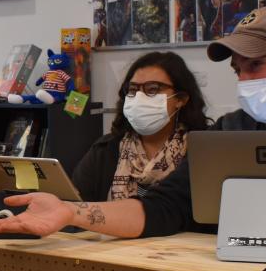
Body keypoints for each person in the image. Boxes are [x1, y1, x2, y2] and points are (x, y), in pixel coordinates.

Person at [0, 4, 266, 241]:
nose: (246, 80)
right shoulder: (228, 133)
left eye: (257, 66)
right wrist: (70, 212)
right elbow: (165, 206)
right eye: (239, 70)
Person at [71, 51, 209, 202]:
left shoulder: (201, 151)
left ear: (181, 99)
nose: (139, 98)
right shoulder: (105, 150)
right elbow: (76, 205)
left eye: (153, 89)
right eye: (133, 90)